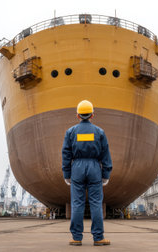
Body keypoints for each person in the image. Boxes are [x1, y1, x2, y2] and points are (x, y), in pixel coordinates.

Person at [62, 100, 112, 246]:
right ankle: (98, 238)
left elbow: (66, 153)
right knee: (96, 203)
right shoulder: (99, 132)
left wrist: (67, 173)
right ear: (92, 115)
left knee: (77, 203)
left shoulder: (70, 132)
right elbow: (105, 154)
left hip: (76, 167)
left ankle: (76, 238)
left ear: (78, 115)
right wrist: (106, 174)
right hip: (94, 167)